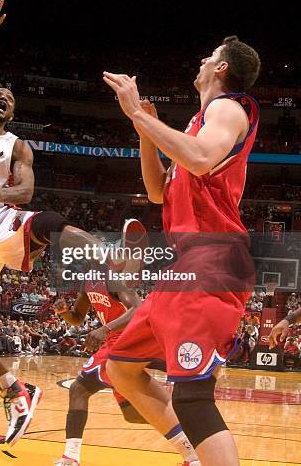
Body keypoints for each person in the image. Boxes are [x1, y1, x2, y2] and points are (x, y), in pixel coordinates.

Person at [0, 0, 137, 446]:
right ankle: (17, 390)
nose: (3, 98)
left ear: (13, 113)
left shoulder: (17, 146)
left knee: (47, 221)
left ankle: (108, 259)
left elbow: (25, 192)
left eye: (10, 98)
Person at [103, 35, 260, 466]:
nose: (202, 60)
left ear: (222, 69)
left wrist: (136, 110)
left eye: (209, 56)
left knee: (192, 397)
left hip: (214, 259)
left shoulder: (228, 107)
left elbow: (200, 159)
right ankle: (191, 454)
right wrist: (144, 131)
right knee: (120, 368)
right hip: (184, 267)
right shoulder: (195, 122)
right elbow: (156, 192)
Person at [54, 275, 199, 466]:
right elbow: (78, 318)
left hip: (127, 339)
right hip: (117, 341)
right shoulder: (87, 283)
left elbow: (138, 308)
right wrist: (64, 312)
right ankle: (193, 452)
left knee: (79, 388)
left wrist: (105, 329)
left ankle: (70, 458)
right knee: (133, 414)